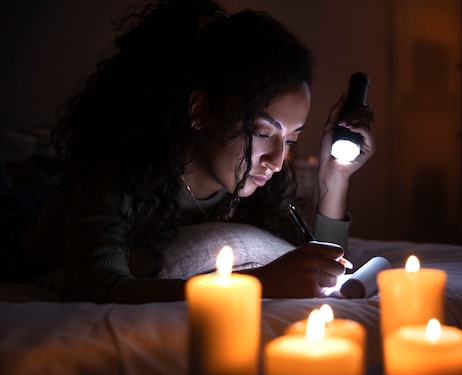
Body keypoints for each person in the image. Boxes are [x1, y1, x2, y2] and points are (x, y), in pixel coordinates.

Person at [4, 0, 375, 303]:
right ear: (200, 113)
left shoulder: (259, 181)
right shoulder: (122, 164)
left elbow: (314, 264)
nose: (277, 161)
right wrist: (255, 285)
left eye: (291, 140)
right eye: (262, 132)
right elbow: (91, 287)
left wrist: (334, 177)